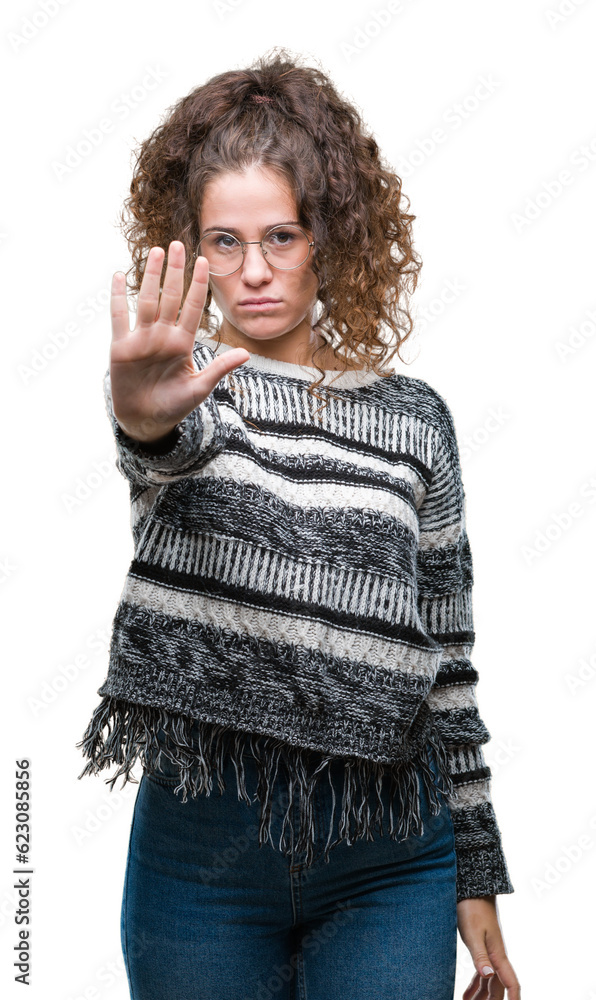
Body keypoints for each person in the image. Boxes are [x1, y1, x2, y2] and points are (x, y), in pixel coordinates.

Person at [76, 47, 521, 1000]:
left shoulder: (414, 419)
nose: (256, 272)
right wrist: (144, 412)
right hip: (202, 856)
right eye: (225, 242)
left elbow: (448, 650)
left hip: (391, 855)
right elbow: (160, 445)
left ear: (331, 234)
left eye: (282, 236)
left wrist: (477, 867)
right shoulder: (182, 388)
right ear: (189, 248)